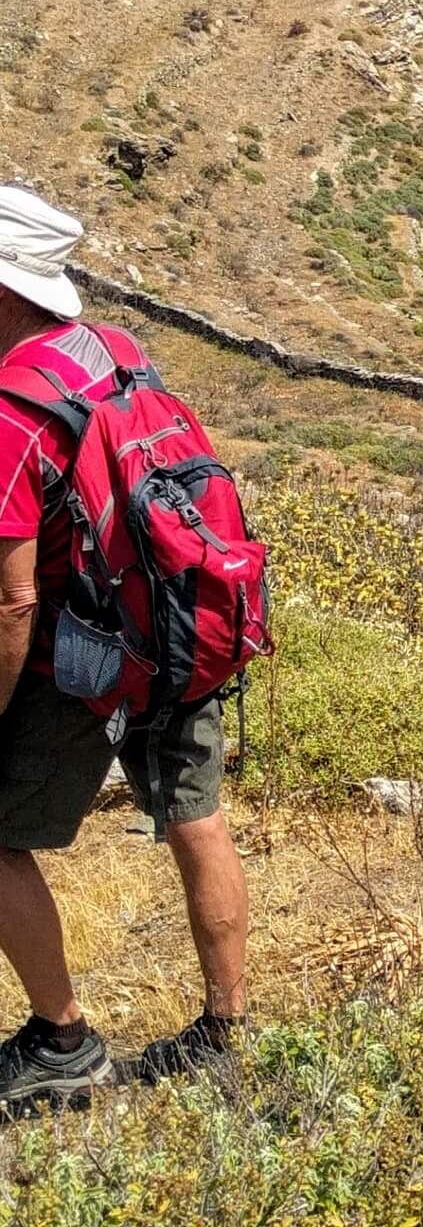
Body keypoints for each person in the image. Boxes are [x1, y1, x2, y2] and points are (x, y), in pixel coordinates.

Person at [0, 186, 250, 1103]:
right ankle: (227, 1025)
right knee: (196, 813)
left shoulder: (10, 407)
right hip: (181, 619)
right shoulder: (115, 350)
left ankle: (60, 1039)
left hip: (87, 648)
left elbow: (16, 599)